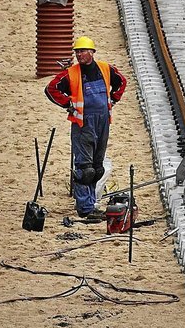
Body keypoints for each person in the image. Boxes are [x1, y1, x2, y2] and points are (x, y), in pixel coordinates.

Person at [45, 36, 127, 217]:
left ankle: (91, 203)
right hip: (83, 125)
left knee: (97, 167)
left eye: (82, 51)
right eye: (77, 52)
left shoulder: (105, 69)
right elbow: (51, 89)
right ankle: (85, 208)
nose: (79, 55)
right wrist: (67, 104)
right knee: (85, 169)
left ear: (92, 52)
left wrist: (113, 100)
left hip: (103, 122)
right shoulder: (71, 74)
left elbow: (121, 82)